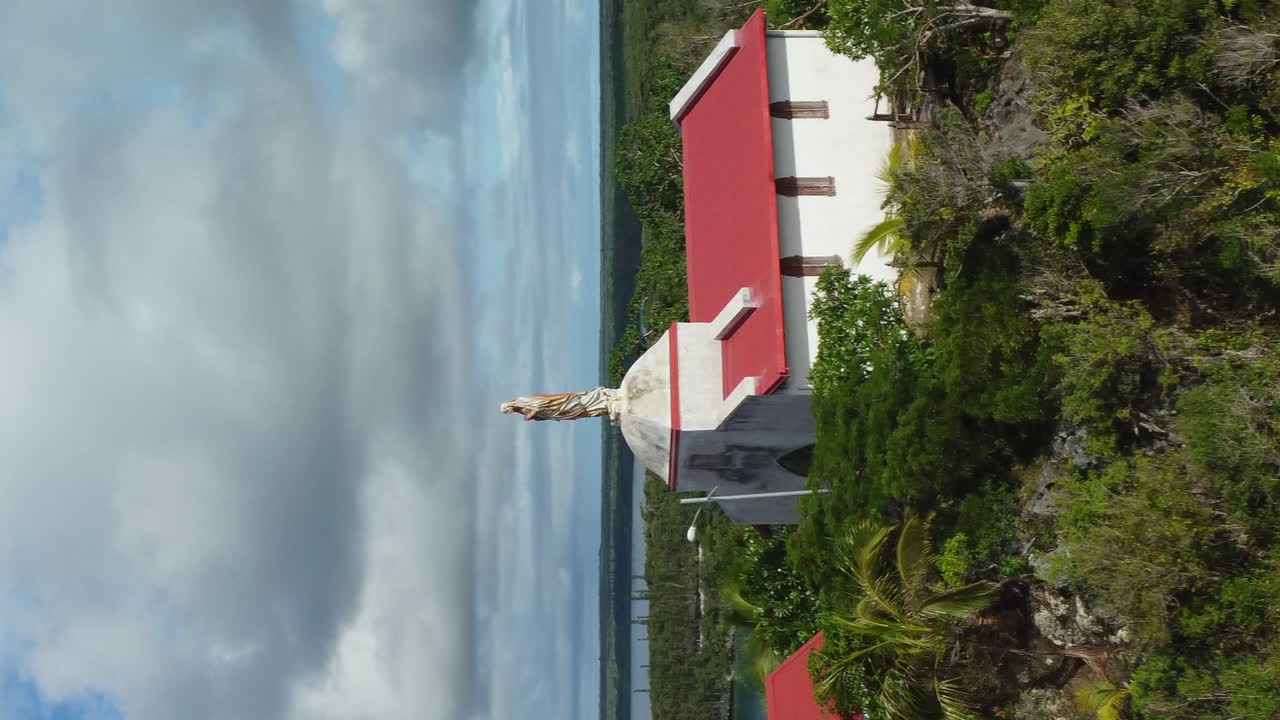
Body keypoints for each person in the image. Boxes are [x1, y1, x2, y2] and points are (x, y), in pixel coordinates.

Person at [500, 387, 620, 421]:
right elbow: (541, 416)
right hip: (558, 412)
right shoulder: (520, 409)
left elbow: (540, 404)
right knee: (585, 411)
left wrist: (530, 415)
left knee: (582, 404)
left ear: (509, 406)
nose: (511, 412)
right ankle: (602, 406)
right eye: (509, 412)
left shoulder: (522, 400)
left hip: (559, 405)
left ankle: (602, 401)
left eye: (508, 410)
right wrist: (534, 417)